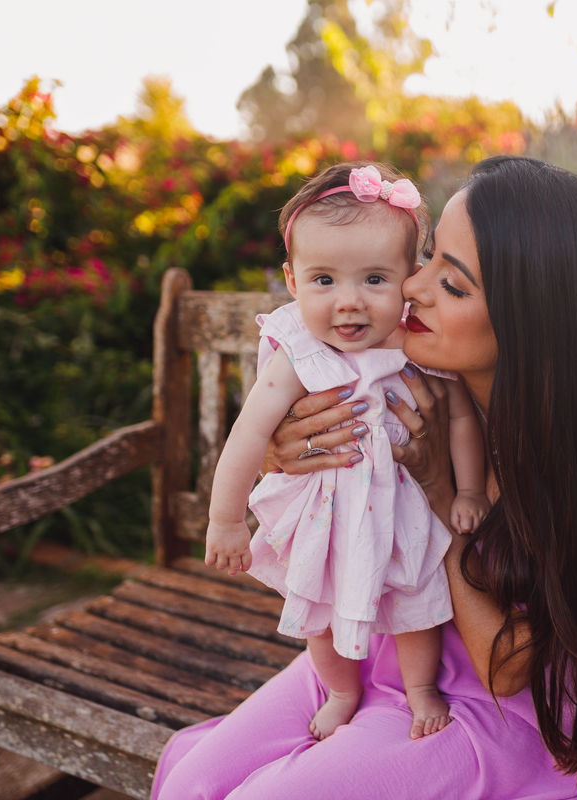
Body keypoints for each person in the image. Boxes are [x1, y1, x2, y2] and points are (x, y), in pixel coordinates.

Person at [153, 156, 577, 800]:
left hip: (507, 705)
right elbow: (297, 412)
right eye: (426, 258)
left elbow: (506, 667)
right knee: (195, 784)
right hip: (386, 643)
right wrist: (284, 451)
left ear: (530, 320)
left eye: (452, 286)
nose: (413, 288)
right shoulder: (407, 382)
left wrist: (440, 495)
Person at [203, 162, 491, 742]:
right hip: (329, 513)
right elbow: (249, 434)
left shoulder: (416, 343)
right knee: (319, 606)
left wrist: (465, 489)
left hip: (401, 505)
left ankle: (420, 689)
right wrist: (225, 518)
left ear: (408, 277)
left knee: (417, 599)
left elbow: (460, 415)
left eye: (375, 280)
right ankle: (341, 688)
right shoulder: (298, 356)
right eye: (325, 281)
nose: (350, 304)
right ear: (292, 281)